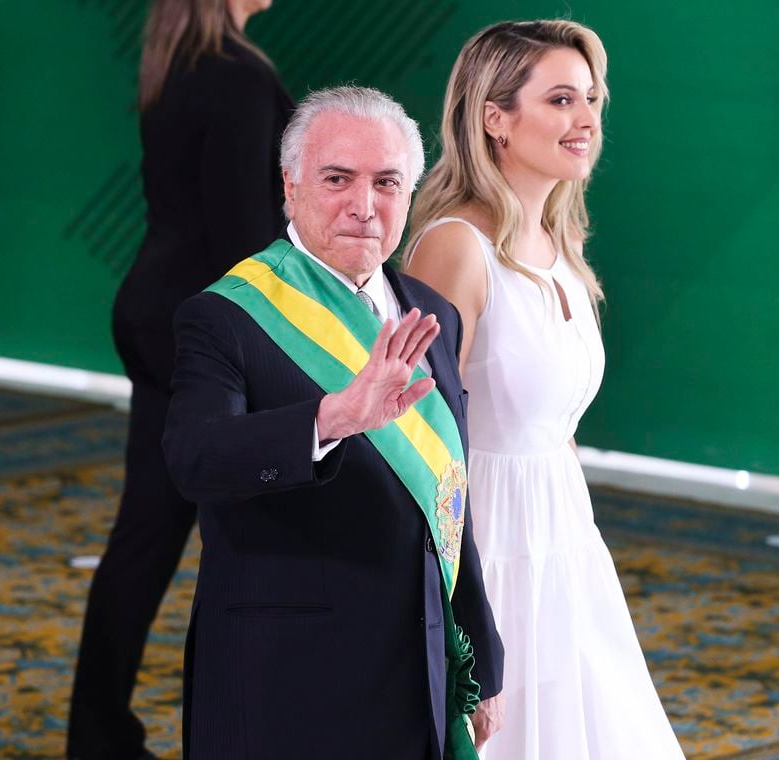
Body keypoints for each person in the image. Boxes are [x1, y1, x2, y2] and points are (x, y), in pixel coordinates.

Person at [161, 86, 504, 758]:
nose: (364, 205)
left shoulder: (433, 313)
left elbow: (447, 492)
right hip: (288, 675)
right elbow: (193, 459)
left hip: (419, 669)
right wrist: (333, 417)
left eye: (386, 182)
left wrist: (479, 657)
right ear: (290, 186)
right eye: (337, 179)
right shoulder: (227, 315)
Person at [404, 20, 686, 759]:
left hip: (564, 538)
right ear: (495, 117)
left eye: (591, 99)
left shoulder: (559, 242)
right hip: (486, 540)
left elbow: (552, 425)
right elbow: (411, 425)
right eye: (560, 99)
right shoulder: (453, 247)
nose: (586, 118)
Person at [68, 1, 293, 757]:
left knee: (147, 535)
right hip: (203, 335)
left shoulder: (181, 61)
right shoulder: (236, 76)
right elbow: (242, 238)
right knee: (250, 541)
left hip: (157, 314)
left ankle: (98, 736)